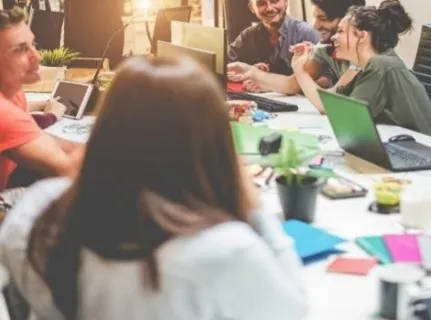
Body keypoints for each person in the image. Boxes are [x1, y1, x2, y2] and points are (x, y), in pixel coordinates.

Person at [0, 55, 307, 320]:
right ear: (211, 140)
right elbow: (292, 309)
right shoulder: (223, 250)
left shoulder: (36, 212)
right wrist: (251, 204)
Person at [292, 0, 431, 140]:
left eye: (341, 31)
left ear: (362, 37)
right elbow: (331, 107)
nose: (334, 37)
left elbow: (348, 121)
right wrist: (299, 69)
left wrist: (301, 71)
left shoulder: (380, 66)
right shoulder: (366, 68)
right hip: (409, 146)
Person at [0, 7, 81, 192]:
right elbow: (68, 170)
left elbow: (48, 141)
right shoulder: (3, 112)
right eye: (20, 50)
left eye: (32, 44)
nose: (36, 56)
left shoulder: (13, 92)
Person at [227, 0, 365, 95]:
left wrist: (259, 78)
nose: (315, 26)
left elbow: (327, 92)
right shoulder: (324, 48)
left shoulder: (367, 61)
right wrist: (252, 73)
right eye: (261, 3)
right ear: (251, 8)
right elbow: (290, 85)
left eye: (322, 18)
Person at [228, 0, 320, 78]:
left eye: (274, 1)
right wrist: (248, 70)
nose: (269, 8)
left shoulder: (308, 34)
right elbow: (223, 63)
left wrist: (264, 81)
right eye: (261, 3)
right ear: (252, 8)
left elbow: (323, 79)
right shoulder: (247, 36)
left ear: (286, 1)